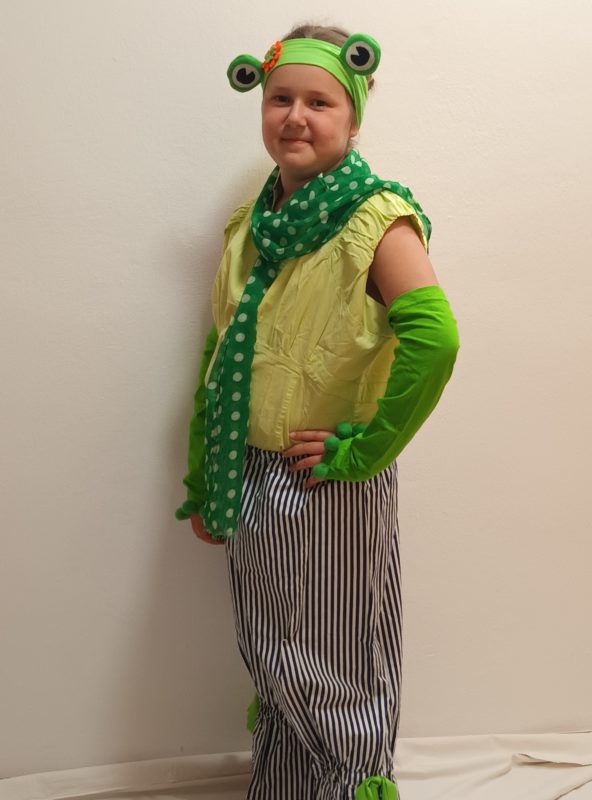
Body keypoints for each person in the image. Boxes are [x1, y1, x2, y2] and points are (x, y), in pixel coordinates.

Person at [175, 23, 459, 800]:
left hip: (324, 480)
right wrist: (206, 475)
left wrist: (362, 450)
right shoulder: (252, 225)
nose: (295, 116)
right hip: (252, 470)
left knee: (337, 665)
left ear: (353, 116)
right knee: (274, 650)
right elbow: (219, 353)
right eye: (280, 99)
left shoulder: (377, 220)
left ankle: (350, 787)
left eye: (319, 102)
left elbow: (435, 338)